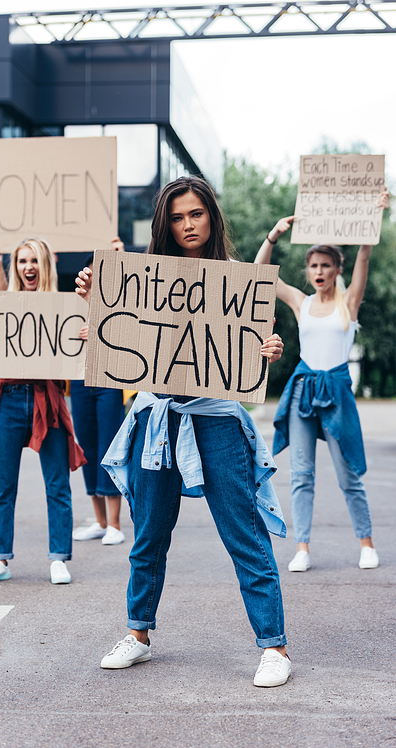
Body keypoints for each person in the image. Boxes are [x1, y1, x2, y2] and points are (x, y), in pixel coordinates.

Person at [75, 176, 291, 688]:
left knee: (244, 535)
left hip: (215, 420)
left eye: (195, 213)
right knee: (148, 535)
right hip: (157, 420)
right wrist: (92, 303)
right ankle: (138, 634)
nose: (187, 224)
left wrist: (268, 350)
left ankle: (274, 647)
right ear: (163, 224)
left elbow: (253, 345)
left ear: (211, 217)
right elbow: (118, 341)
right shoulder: (143, 279)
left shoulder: (237, 279)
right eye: (176, 216)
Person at [254, 187, 390, 573]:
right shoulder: (302, 302)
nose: (318, 272)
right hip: (302, 391)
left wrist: (375, 215)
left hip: (336, 391)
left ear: (336, 270)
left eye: (325, 266)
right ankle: (302, 548)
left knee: (348, 472)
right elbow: (261, 276)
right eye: (313, 266)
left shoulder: (349, 304)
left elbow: (365, 252)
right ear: (308, 270)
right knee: (301, 474)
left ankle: (366, 543)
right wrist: (273, 235)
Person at [0, 237, 86, 584]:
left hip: (45, 398)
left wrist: (85, 333)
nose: (28, 267)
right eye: (21, 261)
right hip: (8, 398)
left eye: (34, 261)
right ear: (15, 267)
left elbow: (76, 352)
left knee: (57, 483)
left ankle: (58, 559)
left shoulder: (64, 307)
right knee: (3, 486)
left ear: (44, 266)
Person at [71, 244, 126, 546]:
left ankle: (115, 524)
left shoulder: (121, 303)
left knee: (109, 447)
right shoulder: (71, 304)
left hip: (109, 380)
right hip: (79, 381)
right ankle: (100, 521)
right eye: (90, 270)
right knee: (87, 449)